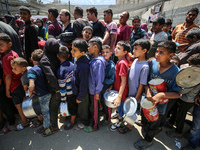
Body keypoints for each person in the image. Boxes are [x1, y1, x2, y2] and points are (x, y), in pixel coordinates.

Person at [134, 41, 181, 149]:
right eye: (156, 51)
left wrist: (161, 95)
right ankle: (144, 124)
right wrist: (148, 90)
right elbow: (145, 80)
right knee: (145, 116)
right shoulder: (152, 63)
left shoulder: (176, 72)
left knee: (154, 123)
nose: (157, 54)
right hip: (147, 99)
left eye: (161, 53)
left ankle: (148, 140)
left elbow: (177, 94)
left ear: (170, 55)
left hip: (160, 105)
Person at [118, 39, 150, 133]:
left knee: (133, 111)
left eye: (136, 49)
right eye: (134, 48)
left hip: (136, 94)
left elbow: (142, 84)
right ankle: (127, 121)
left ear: (144, 51)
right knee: (128, 108)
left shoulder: (145, 66)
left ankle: (129, 126)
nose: (133, 51)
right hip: (129, 91)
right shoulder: (135, 60)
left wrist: (136, 98)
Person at [0, 33, 29, 132]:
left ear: (10, 44)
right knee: (21, 102)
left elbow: (8, 76)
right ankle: (26, 116)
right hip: (19, 82)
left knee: (18, 105)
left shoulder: (6, 58)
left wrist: (7, 90)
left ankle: (24, 121)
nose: (0, 47)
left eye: (1, 44)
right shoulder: (13, 53)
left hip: (14, 85)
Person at [84, 38, 107, 132]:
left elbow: (99, 78)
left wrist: (97, 92)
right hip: (92, 90)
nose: (88, 48)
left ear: (96, 47)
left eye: (89, 46)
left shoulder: (99, 62)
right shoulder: (93, 59)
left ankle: (95, 125)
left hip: (95, 91)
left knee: (95, 109)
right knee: (92, 107)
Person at [27, 49, 52, 136]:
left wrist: (30, 92)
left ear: (31, 59)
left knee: (45, 112)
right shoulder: (45, 67)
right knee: (49, 110)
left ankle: (46, 127)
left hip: (42, 95)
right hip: (49, 92)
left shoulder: (32, 70)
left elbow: (31, 85)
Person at [40, 38, 61, 135]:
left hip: (53, 88)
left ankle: (54, 126)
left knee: (53, 107)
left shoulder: (45, 59)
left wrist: (56, 88)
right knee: (54, 105)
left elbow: (51, 76)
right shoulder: (57, 55)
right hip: (61, 83)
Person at [181, 53, 200, 150]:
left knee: (197, 126)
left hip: (191, 100)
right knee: (196, 123)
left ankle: (192, 145)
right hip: (197, 101)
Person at [110, 41, 129, 131]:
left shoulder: (122, 63)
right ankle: (118, 115)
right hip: (118, 89)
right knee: (118, 105)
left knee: (120, 105)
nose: (116, 50)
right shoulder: (120, 61)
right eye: (116, 47)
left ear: (125, 52)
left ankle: (120, 120)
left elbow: (124, 81)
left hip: (121, 91)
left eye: (119, 48)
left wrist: (119, 96)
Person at [71, 39, 90, 130]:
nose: (71, 52)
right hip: (78, 91)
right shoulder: (77, 59)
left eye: (74, 50)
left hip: (82, 93)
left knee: (83, 108)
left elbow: (84, 83)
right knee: (81, 107)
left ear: (82, 53)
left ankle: (85, 122)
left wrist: (80, 96)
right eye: (72, 49)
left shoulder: (83, 66)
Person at [56, 46, 75, 130]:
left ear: (57, 56)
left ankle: (72, 121)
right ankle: (69, 117)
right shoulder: (72, 65)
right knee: (73, 106)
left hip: (68, 93)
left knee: (71, 106)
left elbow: (62, 88)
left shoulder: (61, 70)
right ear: (68, 56)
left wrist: (63, 99)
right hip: (74, 91)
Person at [100, 45, 115, 125]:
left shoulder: (111, 66)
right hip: (101, 89)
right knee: (102, 103)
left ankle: (108, 119)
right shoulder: (101, 63)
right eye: (103, 52)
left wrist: (102, 81)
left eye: (107, 52)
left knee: (107, 106)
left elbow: (112, 79)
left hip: (106, 89)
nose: (105, 54)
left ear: (110, 53)